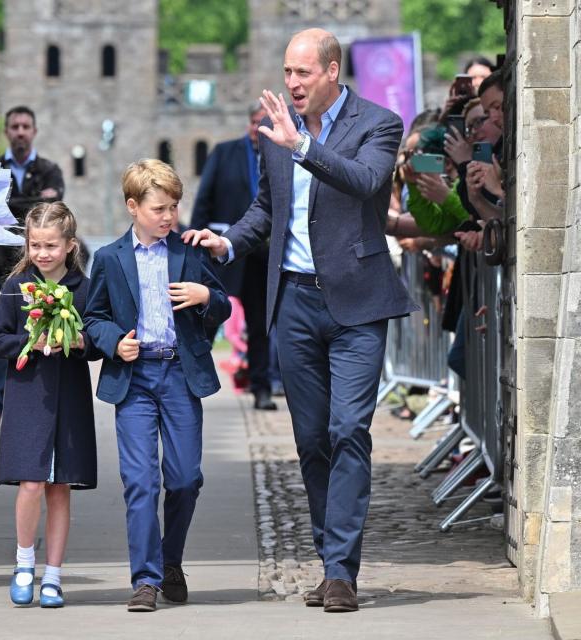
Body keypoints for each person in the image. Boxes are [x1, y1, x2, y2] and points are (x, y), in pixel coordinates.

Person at [184, 28, 416, 613]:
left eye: (303, 73)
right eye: (287, 72)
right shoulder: (276, 129)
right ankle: (326, 558)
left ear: (333, 71)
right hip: (294, 303)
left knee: (348, 431)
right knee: (311, 440)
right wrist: (229, 242)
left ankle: (341, 572)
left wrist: (303, 147)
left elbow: (366, 183)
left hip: (359, 304)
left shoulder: (379, 123)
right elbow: (269, 207)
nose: (291, 83)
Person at [85, 159, 230, 613]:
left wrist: (208, 297)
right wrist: (115, 344)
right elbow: (94, 318)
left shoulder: (189, 252)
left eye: (173, 207)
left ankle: (171, 560)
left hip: (180, 376)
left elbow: (222, 305)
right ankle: (145, 578)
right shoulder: (109, 258)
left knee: (185, 478)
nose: (169, 217)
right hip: (135, 379)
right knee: (140, 482)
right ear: (133, 207)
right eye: (159, 208)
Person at [0, 202, 100, 609]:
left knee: (59, 488)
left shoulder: (84, 289)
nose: (43, 253)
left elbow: (96, 340)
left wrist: (80, 341)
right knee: (30, 483)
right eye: (36, 245)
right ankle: (23, 563)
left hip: (68, 399)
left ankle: (53, 575)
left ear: (70, 245)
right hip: (28, 398)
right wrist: (28, 343)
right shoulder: (16, 287)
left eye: (51, 245)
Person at [0, 106, 65, 432]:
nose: (20, 131)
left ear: (34, 130)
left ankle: (27, 401)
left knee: (38, 330)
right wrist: (30, 203)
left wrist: (11, 204)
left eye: (26, 126)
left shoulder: (50, 169)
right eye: (14, 126)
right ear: (7, 131)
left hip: (40, 270)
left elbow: (52, 212)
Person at [190, 101, 278, 410]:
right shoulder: (225, 152)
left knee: (259, 324)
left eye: (264, 123)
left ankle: (261, 386)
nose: (258, 129)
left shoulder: (279, 155)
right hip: (221, 250)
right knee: (208, 317)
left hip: (261, 254)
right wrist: (196, 246)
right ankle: (192, 380)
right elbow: (204, 199)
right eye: (255, 122)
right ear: (248, 124)